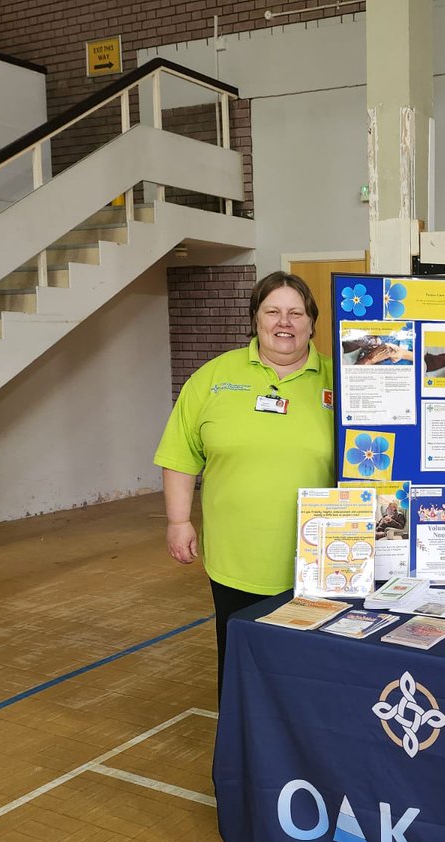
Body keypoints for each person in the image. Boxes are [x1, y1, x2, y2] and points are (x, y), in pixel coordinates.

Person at [153, 271, 334, 697]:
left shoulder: (340, 379)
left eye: (295, 312)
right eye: (273, 311)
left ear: (312, 322)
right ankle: (245, 756)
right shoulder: (214, 377)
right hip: (238, 560)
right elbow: (180, 455)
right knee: (242, 669)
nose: (283, 322)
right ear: (255, 318)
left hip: (323, 560)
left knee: (312, 672)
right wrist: (178, 521)